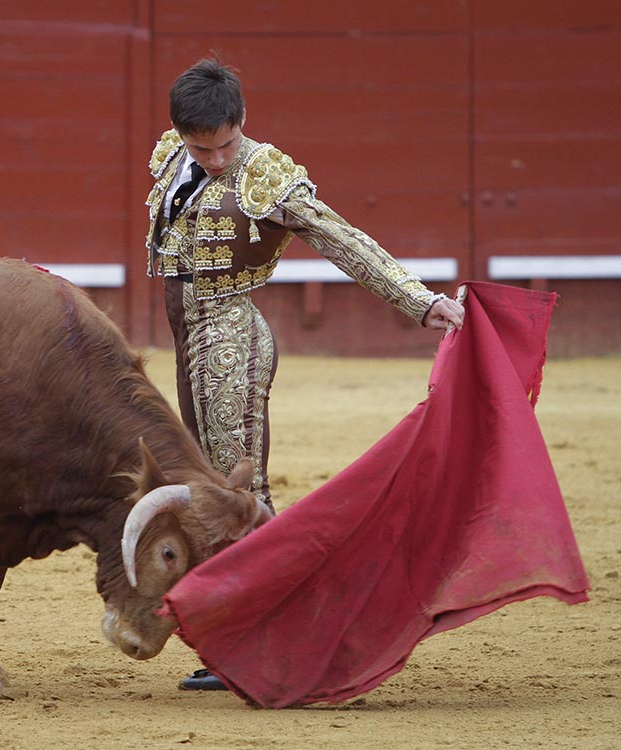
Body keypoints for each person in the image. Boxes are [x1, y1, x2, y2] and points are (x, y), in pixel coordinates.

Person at [144, 57, 465, 691]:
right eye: (202, 148)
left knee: (241, 494)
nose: (216, 159)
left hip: (230, 340)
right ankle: (247, 634)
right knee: (214, 485)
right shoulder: (173, 157)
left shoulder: (267, 175)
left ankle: (261, 641)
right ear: (181, 134)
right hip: (189, 339)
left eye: (226, 144)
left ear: (243, 120)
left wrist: (418, 301)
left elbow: (340, 238)